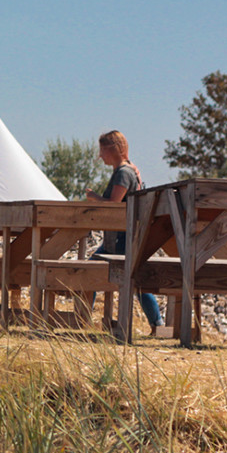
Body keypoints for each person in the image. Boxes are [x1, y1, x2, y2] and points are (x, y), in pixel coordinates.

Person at [88, 130, 163, 334]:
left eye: (102, 150)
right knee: (137, 282)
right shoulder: (131, 170)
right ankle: (157, 324)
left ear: (111, 150)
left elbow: (114, 204)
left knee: (88, 273)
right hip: (122, 237)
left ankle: (82, 318)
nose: (100, 155)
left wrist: (95, 198)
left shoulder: (123, 173)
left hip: (120, 238)